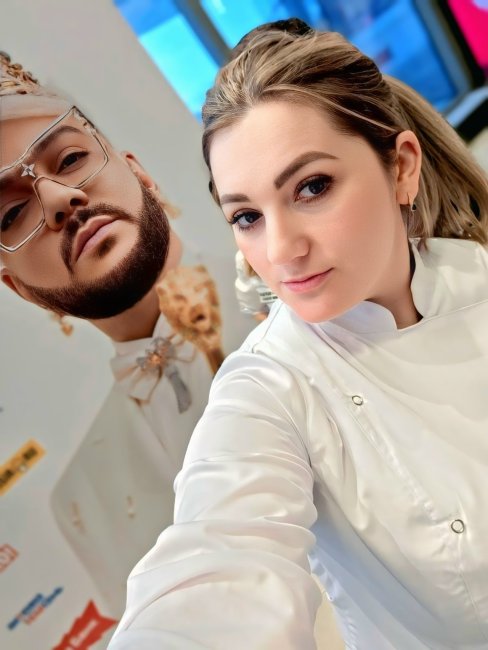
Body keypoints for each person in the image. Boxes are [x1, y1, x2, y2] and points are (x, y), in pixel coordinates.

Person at [109, 24, 488, 650]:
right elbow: (215, 558)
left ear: (402, 168)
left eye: (312, 188)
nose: (282, 249)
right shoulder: (268, 389)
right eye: (247, 217)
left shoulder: (477, 274)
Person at [0, 51, 227, 616]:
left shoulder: (343, 293)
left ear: (139, 171)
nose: (59, 199)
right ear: (18, 289)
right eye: (9, 215)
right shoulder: (81, 502)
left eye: (71, 158)